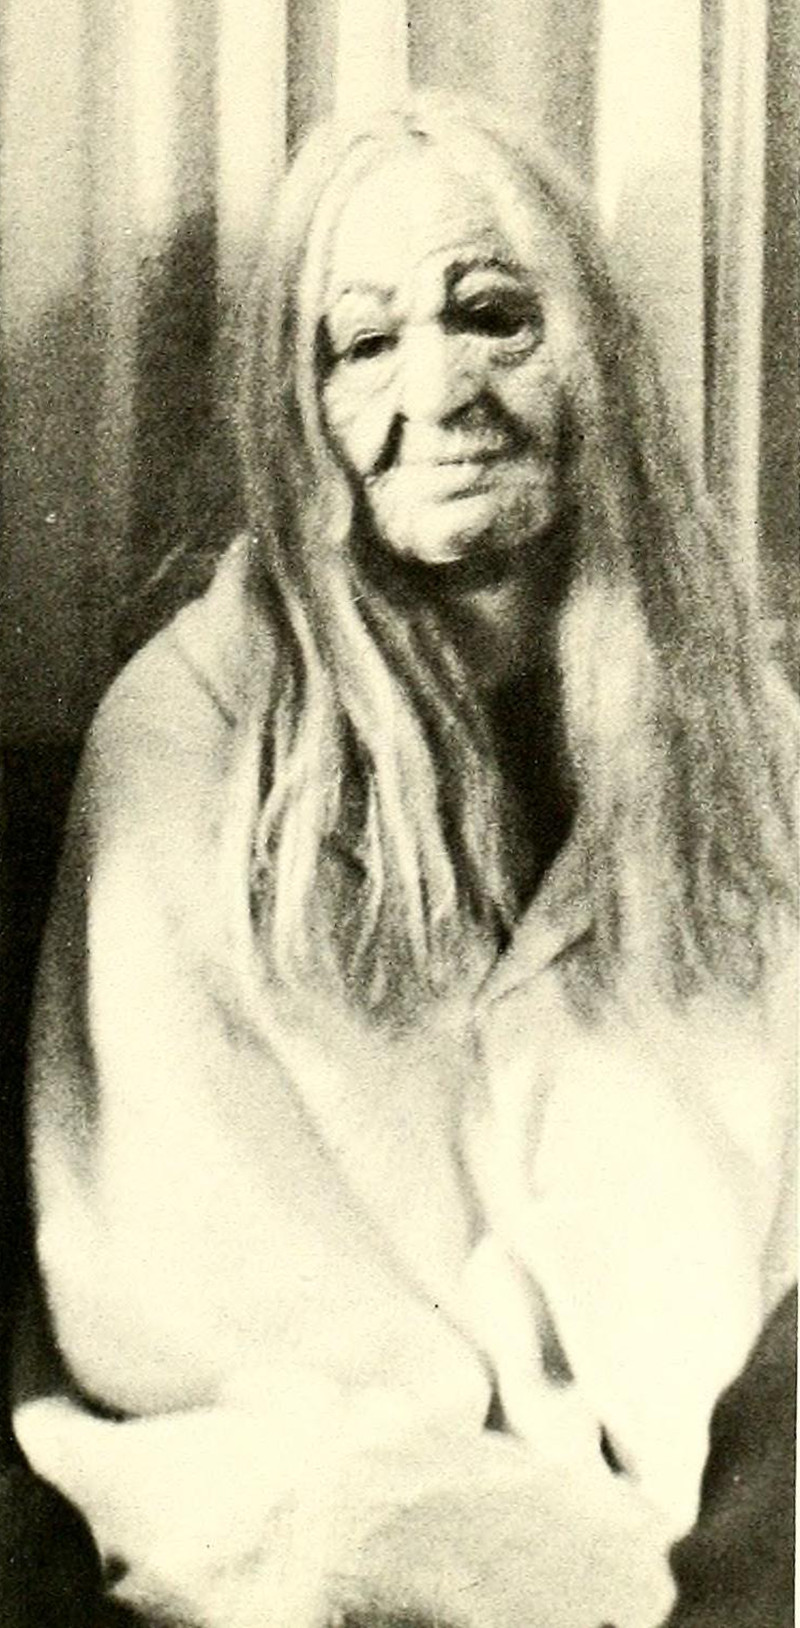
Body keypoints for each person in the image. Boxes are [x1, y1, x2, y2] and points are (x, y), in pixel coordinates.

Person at [11, 91, 797, 1628]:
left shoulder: (738, 725)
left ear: (595, 351)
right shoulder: (190, 736)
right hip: (343, 1467)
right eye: (363, 343)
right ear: (295, 406)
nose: (438, 392)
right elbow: (186, 1282)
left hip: (720, 1464)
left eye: (493, 317)